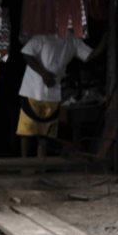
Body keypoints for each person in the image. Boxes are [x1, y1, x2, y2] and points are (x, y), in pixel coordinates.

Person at [16, 31, 105, 159]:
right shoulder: (44, 35)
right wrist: (44, 74)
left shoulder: (73, 41)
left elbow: (89, 56)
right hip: (32, 89)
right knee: (26, 131)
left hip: (53, 92)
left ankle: (41, 165)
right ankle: (24, 164)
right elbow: (26, 52)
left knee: (45, 134)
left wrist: (105, 40)